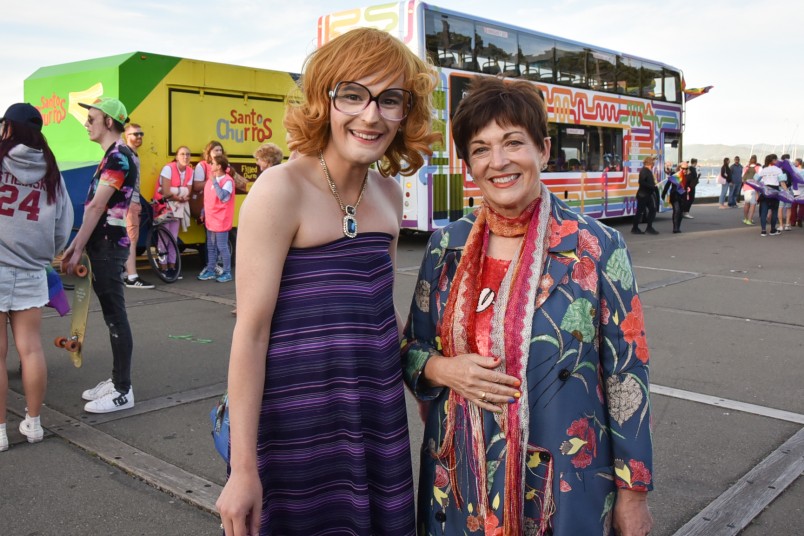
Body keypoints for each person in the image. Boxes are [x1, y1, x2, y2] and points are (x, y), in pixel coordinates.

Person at [402, 76, 653, 535]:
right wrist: (443, 369)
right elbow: (412, 347)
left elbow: (626, 377)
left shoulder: (597, 247)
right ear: (468, 166)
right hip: (460, 484)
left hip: (563, 485)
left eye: (513, 142)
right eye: (480, 148)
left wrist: (632, 495)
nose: (498, 162)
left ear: (544, 149)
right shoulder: (446, 246)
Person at [215, 27, 439, 536]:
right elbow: (250, 334)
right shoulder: (281, 189)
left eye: (390, 100)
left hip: (374, 421)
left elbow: (379, 315)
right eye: (353, 95)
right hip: (295, 433)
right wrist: (244, 469)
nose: (371, 115)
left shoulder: (388, 195)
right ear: (324, 100)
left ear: (406, 112)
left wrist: (431, 380)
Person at [0, 103, 73, 451]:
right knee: (30, 349)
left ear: (8, 128)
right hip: (31, 270)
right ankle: (33, 423)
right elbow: (63, 227)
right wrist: (45, 253)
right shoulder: (52, 172)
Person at [62, 97, 137, 413]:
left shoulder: (118, 157)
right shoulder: (117, 156)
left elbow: (96, 206)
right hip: (106, 245)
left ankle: (123, 390)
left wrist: (76, 247)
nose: (86, 123)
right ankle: (118, 379)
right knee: (112, 317)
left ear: (109, 121)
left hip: (107, 245)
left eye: (91, 118)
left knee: (115, 317)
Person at [121, 123, 154, 289]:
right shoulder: (128, 155)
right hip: (130, 202)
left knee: (127, 239)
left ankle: (126, 273)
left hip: (130, 202)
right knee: (131, 240)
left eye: (141, 134)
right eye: (135, 134)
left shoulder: (132, 154)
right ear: (126, 136)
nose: (139, 137)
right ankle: (132, 277)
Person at [154, 146, 193, 280]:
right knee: (163, 238)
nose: (185, 157)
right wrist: (180, 194)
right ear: (176, 156)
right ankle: (163, 266)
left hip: (177, 208)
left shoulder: (189, 171)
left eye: (188, 154)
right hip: (164, 207)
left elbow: (188, 192)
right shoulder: (168, 168)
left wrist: (174, 192)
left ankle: (172, 266)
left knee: (173, 237)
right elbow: (165, 192)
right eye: (182, 154)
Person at [197, 155, 235, 283]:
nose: (210, 165)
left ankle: (227, 272)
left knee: (222, 246)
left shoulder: (228, 181)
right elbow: (207, 199)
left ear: (219, 166)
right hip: (211, 219)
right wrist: (203, 211)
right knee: (211, 246)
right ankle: (211, 270)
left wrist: (214, 181)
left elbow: (223, 197)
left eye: (212, 163)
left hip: (221, 220)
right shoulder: (210, 181)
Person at [755, 154, 784, 237]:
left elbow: (756, 181)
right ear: (774, 160)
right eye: (776, 160)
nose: (777, 161)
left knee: (764, 212)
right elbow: (782, 182)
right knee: (774, 211)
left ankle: (763, 231)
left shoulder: (763, 170)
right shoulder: (778, 170)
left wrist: (757, 193)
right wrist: (786, 192)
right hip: (775, 191)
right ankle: (772, 230)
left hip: (765, 191)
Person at [632, 156, 659, 235]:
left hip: (646, 194)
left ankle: (648, 227)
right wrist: (652, 186)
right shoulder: (645, 171)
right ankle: (636, 228)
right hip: (643, 194)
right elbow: (641, 182)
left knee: (651, 210)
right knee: (641, 211)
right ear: (650, 163)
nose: (654, 164)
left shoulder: (647, 171)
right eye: (653, 162)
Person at [663, 161, 689, 233]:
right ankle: (675, 228)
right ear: (679, 168)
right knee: (676, 210)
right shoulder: (674, 175)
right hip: (675, 196)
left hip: (683, 196)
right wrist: (663, 193)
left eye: (686, 168)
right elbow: (667, 185)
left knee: (680, 212)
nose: (685, 170)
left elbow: (690, 186)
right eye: (683, 168)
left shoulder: (687, 176)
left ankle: (678, 227)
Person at [741, 155, 760, 225]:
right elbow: (760, 179)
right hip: (754, 188)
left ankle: (745, 219)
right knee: (753, 205)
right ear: (756, 160)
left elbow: (742, 178)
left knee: (746, 204)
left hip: (746, 187)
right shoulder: (758, 168)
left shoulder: (745, 168)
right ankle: (750, 219)